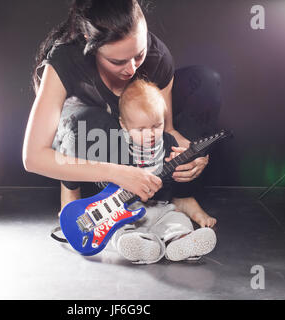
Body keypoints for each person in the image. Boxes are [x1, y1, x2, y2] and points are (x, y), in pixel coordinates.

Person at [22, 0, 221, 215]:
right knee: (82, 122)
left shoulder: (157, 56)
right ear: (90, 41)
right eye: (118, 61)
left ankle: (182, 196)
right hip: (95, 147)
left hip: (140, 142)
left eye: (139, 55)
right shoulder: (65, 60)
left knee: (204, 81)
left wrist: (194, 154)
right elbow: (33, 157)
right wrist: (117, 173)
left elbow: (166, 130)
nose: (132, 69)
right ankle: (71, 192)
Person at [109, 78, 216, 263]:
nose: (150, 134)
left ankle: (181, 242)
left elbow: (173, 187)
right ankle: (139, 246)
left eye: (156, 126)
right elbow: (104, 180)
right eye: (141, 129)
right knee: (118, 228)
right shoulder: (116, 145)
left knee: (177, 219)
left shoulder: (168, 142)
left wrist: (175, 169)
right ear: (124, 125)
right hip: (129, 210)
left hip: (160, 207)